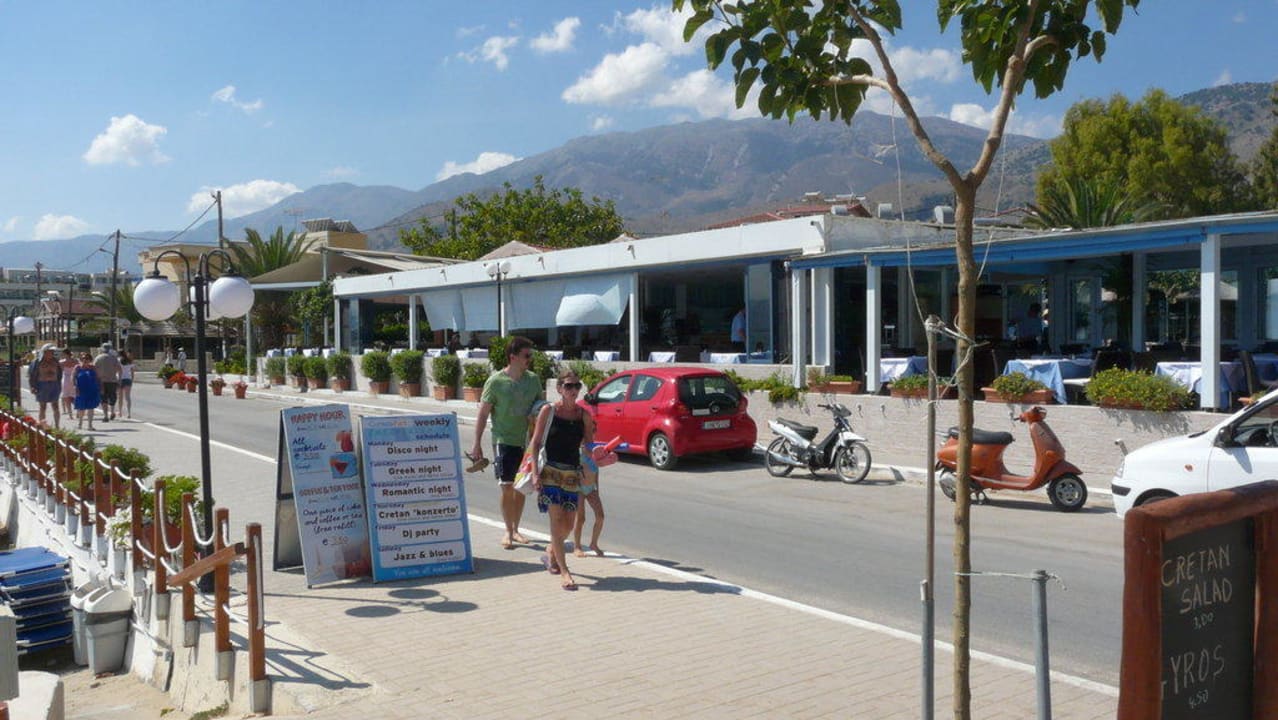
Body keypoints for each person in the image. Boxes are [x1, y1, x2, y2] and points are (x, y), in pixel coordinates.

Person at [469, 336, 542, 550]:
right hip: (503, 440)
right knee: (507, 487)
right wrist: (476, 444)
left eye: (531, 355)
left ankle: (516, 529)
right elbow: (482, 415)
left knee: (521, 488)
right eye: (526, 355)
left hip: (526, 442)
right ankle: (508, 531)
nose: (530, 359)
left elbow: (540, 409)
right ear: (513, 357)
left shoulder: (533, 380)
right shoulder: (496, 381)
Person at [528, 368, 595, 590]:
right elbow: (535, 443)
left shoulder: (583, 415)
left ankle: (551, 551)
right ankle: (565, 572)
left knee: (569, 523)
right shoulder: (549, 411)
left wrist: (596, 458)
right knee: (556, 522)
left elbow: (588, 445)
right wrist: (536, 474)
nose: (573, 390)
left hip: (572, 475)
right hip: (550, 472)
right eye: (568, 386)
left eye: (577, 386)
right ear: (559, 389)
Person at [27, 344, 61, 427]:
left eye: (53, 351)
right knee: (43, 406)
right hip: (42, 385)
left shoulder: (55, 361)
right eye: (50, 351)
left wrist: (59, 384)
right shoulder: (37, 362)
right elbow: (31, 375)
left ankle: (57, 426)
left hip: (54, 384)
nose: (52, 353)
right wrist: (32, 386)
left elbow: (60, 373)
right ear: (45, 352)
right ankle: (42, 425)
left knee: (55, 406)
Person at [93, 344, 123, 423]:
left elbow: (94, 369)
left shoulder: (98, 358)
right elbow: (120, 369)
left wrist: (95, 379)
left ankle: (105, 415)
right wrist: (119, 379)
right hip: (112, 380)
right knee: (112, 397)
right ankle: (112, 412)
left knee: (103, 399)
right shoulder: (113, 358)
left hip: (101, 381)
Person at [73, 352, 101, 431]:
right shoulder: (77, 367)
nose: (85, 360)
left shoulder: (93, 367)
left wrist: (101, 387)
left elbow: (98, 378)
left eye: (87, 359)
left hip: (92, 389)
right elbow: (73, 378)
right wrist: (75, 387)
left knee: (91, 408)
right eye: (83, 358)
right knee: (81, 408)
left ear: (90, 360)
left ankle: (90, 425)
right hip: (81, 389)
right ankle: (80, 424)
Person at [59, 348, 78, 417]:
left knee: (66, 397)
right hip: (74, 379)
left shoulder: (61, 362)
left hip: (66, 379)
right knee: (75, 396)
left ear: (65, 354)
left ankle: (70, 413)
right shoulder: (75, 361)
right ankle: (78, 411)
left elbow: (59, 371)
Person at [117, 350, 134, 419]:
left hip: (120, 379)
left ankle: (120, 412)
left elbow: (118, 370)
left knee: (120, 397)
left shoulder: (118, 360)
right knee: (128, 397)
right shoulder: (130, 361)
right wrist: (132, 380)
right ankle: (129, 413)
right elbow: (132, 372)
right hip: (128, 379)